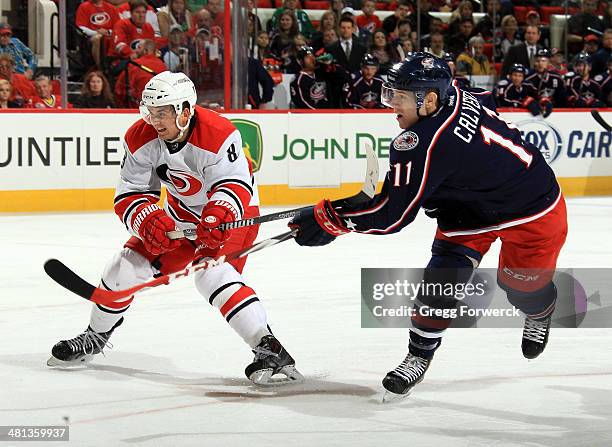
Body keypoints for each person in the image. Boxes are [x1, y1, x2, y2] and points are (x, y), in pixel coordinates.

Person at [289, 52, 567, 399]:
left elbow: (393, 217)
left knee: (520, 288)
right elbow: (485, 100)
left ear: (429, 99)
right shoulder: (457, 90)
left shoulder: (423, 141)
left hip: (531, 209)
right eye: (388, 95)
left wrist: (332, 219)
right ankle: (418, 357)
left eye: (399, 98)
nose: (391, 106)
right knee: (438, 284)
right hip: (468, 210)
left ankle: (541, 311)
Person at [48, 71, 303, 386]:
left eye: (163, 111)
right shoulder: (140, 137)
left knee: (211, 273)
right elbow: (130, 193)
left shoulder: (219, 133)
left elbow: (234, 184)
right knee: (123, 268)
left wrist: (218, 213)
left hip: (232, 215)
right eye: (151, 111)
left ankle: (270, 350)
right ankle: (95, 336)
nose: (155, 120)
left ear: (185, 109)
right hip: (180, 215)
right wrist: (146, 217)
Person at [524, 49, 567, 114]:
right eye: (538, 61)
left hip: (554, 111)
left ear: (548, 62)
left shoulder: (556, 77)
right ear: (535, 62)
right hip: (536, 111)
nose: (540, 63)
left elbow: (562, 97)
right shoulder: (529, 78)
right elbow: (525, 96)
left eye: (543, 61)